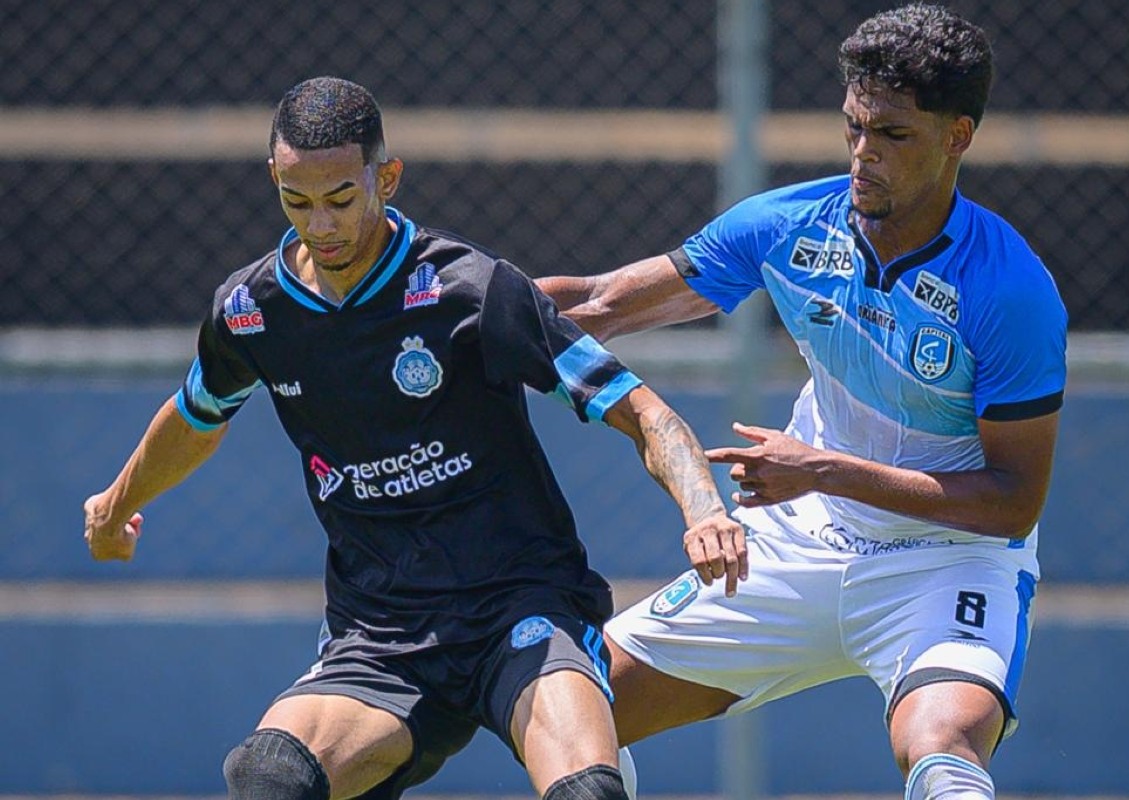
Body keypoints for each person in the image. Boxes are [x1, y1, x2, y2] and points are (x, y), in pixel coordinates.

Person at [83, 76, 746, 800]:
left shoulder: (471, 289)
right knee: (267, 776)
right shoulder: (251, 310)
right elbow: (196, 414)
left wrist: (704, 509)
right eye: (297, 201)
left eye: (341, 198)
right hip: (382, 634)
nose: (322, 225)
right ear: (273, 179)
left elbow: (640, 410)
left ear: (386, 177)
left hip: (522, 611)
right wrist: (116, 506)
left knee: (587, 793)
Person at [537, 5, 1067, 799]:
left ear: (957, 137)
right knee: (574, 710)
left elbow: (1011, 504)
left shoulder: (1010, 290)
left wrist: (823, 469)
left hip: (947, 555)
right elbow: (603, 300)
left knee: (942, 745)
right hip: (800, 537)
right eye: (854, 127)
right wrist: (451, 306)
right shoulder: (789, 225)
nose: (863, 155)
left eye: (893, 136)